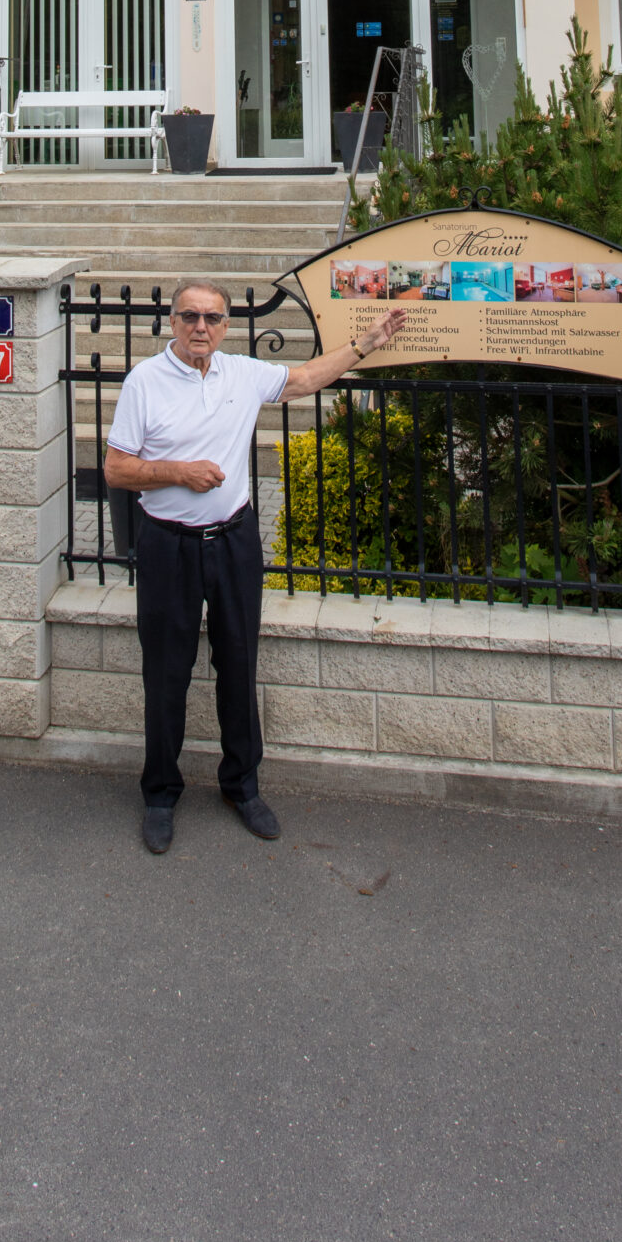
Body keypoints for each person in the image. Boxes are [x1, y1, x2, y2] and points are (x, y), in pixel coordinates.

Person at [104, 277, 405, 855]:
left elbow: (306, 378)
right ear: (172, 321)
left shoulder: (240, 373)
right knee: (166, 672)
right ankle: (161, 794)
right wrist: (180, 472)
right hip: (168, 545)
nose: (201, 328)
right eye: (190, 316)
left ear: (225, 325)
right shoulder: (146, 382)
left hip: (234, 541)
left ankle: (242, 786)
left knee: (239, 663)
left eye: (212, 318)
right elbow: (117, 470)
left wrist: (366, 343)